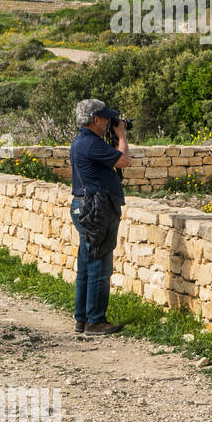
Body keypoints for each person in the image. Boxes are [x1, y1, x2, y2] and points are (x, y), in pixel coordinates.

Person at [68, 99, 131, 335]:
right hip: (95, 208)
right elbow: (123, 161)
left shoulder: (81, 141)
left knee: (87, 264)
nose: (108, 123)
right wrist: (121, 135)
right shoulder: (91, 143)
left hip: (84, 205)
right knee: (100, 265)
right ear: (95, 119)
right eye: (105, 118)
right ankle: (95, 321)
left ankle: (82, 318)